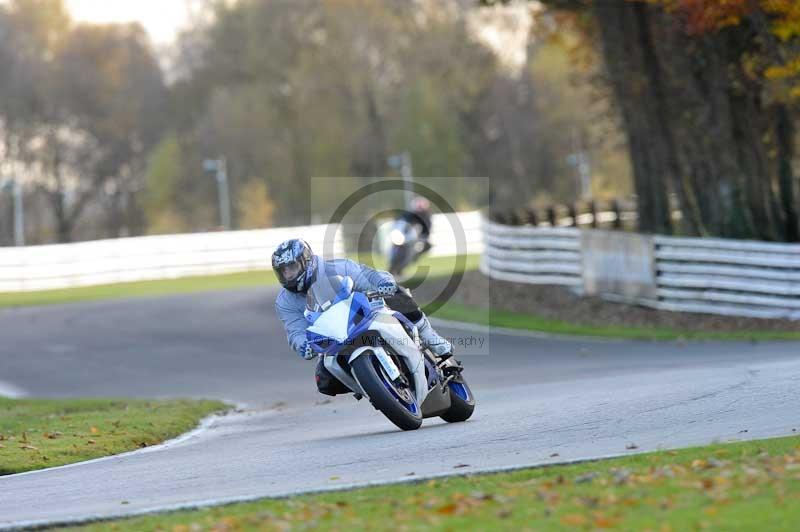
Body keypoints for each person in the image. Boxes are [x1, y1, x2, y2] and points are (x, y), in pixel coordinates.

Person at [272, 239, 453, 395]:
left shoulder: (338, 267)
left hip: (363, 313)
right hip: (333, 337)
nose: (288, 275)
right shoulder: (285, 302)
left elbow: (368, 276)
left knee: (396, 293)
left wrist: (383, 283)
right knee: (324, 380)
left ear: (306, 261)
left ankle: (429, 336)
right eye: (283, 272)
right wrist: (302, 345)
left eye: (292, 268)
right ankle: (368, 384)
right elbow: (295, 329)